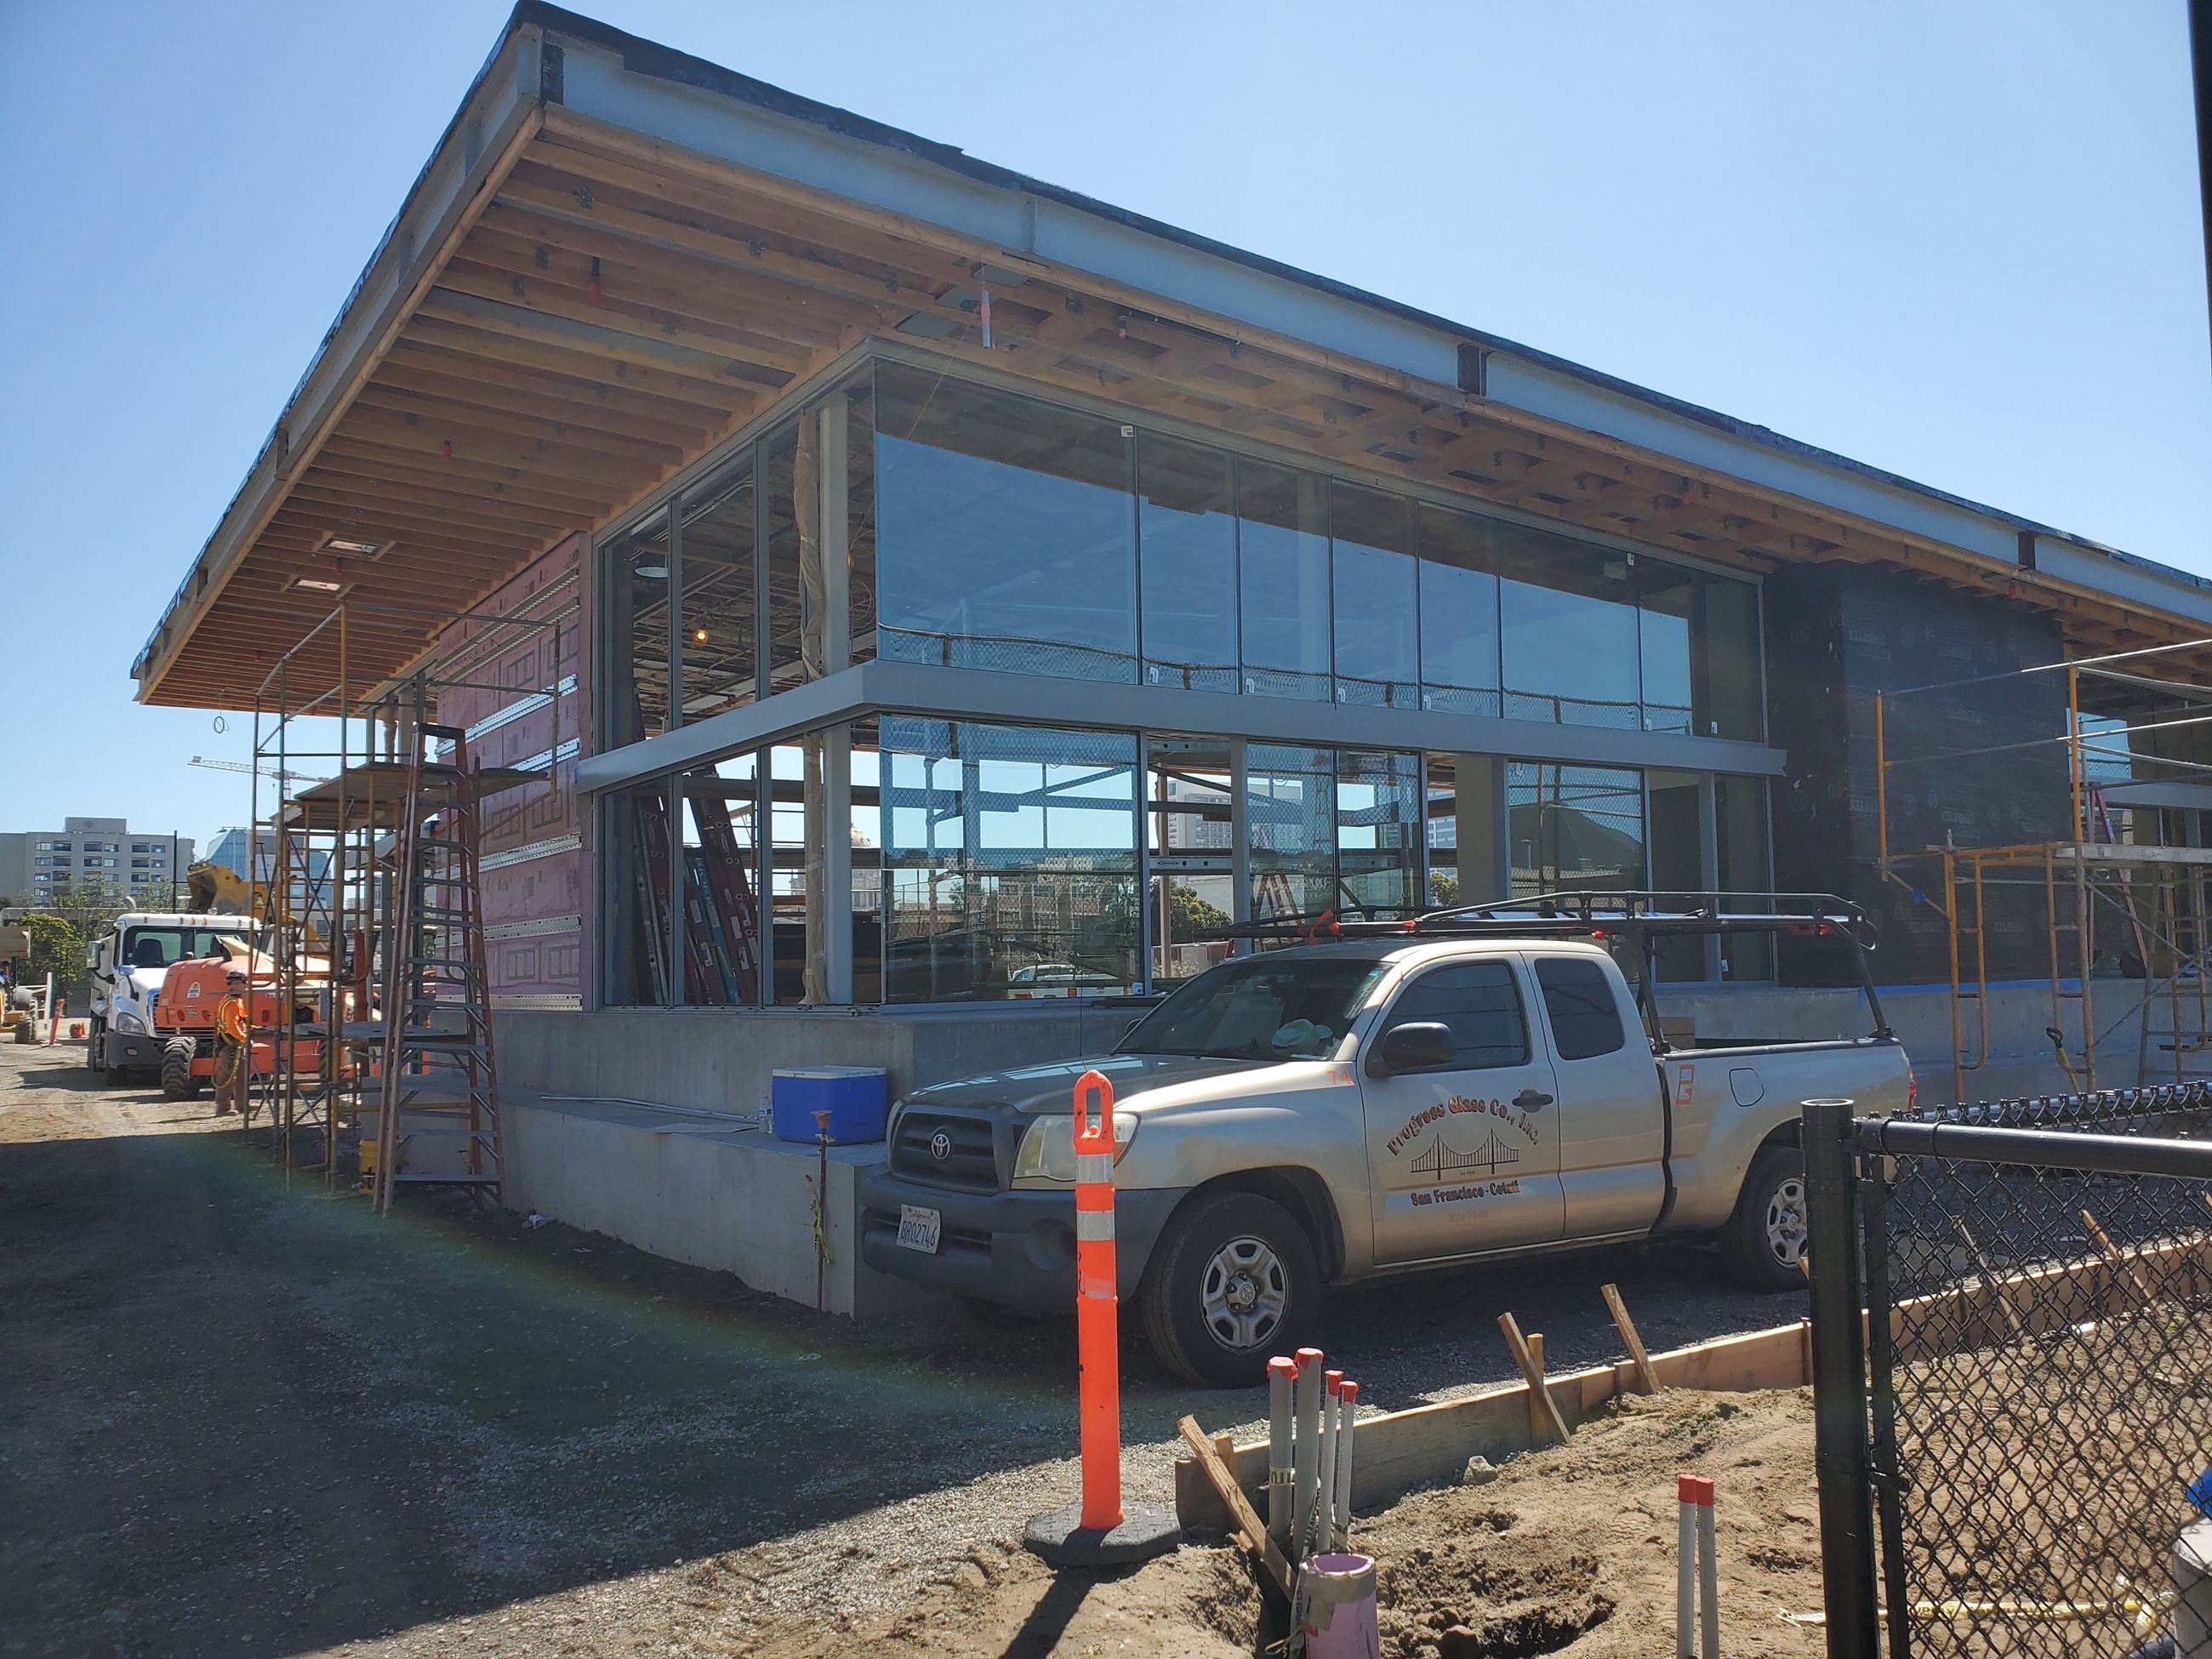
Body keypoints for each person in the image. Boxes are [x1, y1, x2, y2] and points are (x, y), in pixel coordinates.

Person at [214, 969, 251, 1118]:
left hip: (235, 1042)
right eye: (244, 982)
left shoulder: (236, 1001)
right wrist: (244, 1038)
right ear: (235, 984)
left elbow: (239, 1022)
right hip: (230, 1043)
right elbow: (232, 1026)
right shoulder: (232, 1003)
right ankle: (223, 1107)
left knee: (241, 1074)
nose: (246, 985)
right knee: (227, 1075)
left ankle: (242, 1105)